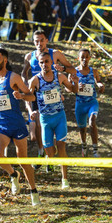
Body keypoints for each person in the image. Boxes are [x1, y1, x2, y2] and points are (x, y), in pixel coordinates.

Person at [0, 48, 39, 206]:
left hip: (17, 124)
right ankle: (13, 175)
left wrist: (21, 96)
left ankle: (33, 191)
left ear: (5, 60)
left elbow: (31, 95)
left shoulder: (13, 77)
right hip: (1, 123)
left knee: (23, 161)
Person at [22, 30, 75, 161]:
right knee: (33, 134)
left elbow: (72, 68)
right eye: (36, 41)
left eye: (41, 40)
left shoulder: (55, 54)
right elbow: (24, 72)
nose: (39, 43)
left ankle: (46, 154)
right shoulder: (29, 56)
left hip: (51, 92)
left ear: (46, 40)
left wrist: (62, 69)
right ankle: (44, 150)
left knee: (42, 123)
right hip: (35, 93)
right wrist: (26, 84)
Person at [28, 51, 79, 189]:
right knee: (50, 152)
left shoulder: (59, 76)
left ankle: (65, 179)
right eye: (41, 62)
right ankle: (48, 157)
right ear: (39, 64)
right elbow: (28, 96)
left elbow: (73, 90)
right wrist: (31, 110)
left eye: (47, 61)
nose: (44, 64)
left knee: (61, 148)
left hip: (59, 116)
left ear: (51, 62)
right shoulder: (35, 80)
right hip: (45, 119)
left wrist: (76, 82)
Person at [74, 49, 104, 157]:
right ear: (78, 58)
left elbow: (98, 81)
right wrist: (76, 87)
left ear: (90, 58)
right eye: (82, 57)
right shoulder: (74, 72)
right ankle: (84, 145)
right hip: (80, 104)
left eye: (87, 57)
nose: (84, 59)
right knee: (82, 129)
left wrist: (100, 85)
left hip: (92, 102)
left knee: (92, 121)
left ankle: (95, 150)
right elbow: (68, 88)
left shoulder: (94, 71)